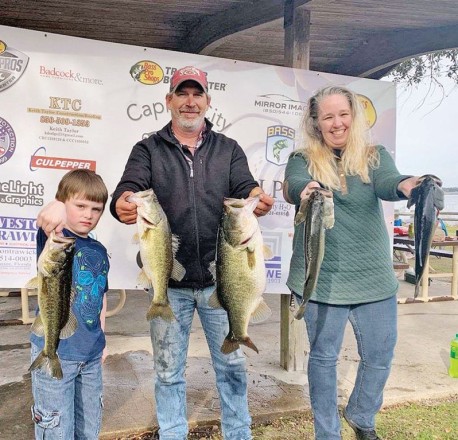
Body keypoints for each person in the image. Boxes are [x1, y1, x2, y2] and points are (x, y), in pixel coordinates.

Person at [110, 65, 274, 440]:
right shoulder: (147, 149)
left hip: (223, 282)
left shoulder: (228, 149)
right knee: (168, 371)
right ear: (168, 101)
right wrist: (123, 203)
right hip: (169, 284)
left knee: (232, 367)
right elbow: (129, 187)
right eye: (181, 94)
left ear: (207, 101)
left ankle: (239, 433)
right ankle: (172, 433)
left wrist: (255, 198)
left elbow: (246, 186)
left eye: (196, 94)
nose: (189, 101)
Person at [283, 85, 421, 440]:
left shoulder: (375, 155)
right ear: (316, 122)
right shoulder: (302, 158)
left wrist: (410, 185)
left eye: (343, 114)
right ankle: (327, 433)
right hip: (322, 278)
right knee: (324, 359)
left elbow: (390, 182)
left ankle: (361, 416)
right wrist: (306, 190)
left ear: (354, 117)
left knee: (379, 355)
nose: (337, 123)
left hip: (373, 277)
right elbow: (293, 184)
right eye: (328, 116)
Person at [30, 169, 110, 439]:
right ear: (63, 205)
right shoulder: (55, 240)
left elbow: (100, 295)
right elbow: (47, 217)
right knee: (57, 428)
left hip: (90, 356)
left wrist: (103, 338)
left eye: (96, 209)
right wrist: (57, 205)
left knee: (88, 428)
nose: (88, 214)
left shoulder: (98, 250)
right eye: (80, 206)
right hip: (57, 350)